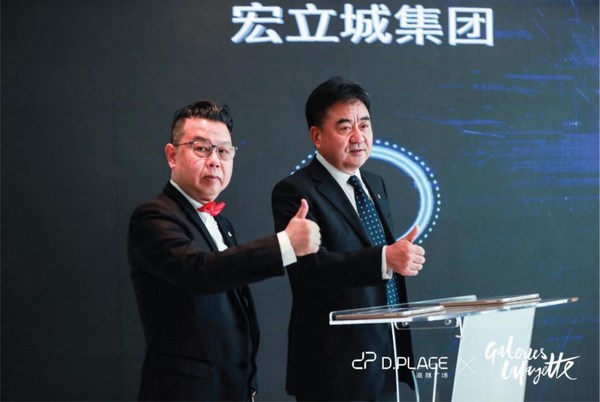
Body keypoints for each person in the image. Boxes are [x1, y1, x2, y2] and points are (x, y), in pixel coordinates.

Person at [128, 100, 321, 401]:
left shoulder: (222, 224)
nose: (215, 161)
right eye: (201, 148)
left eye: (223, 151)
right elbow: (201, 272)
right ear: (172, 155)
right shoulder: (153, 217)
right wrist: (284, 244)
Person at [271, 77, 426, 401]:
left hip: (386, 353)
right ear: (317, 136)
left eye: (364, 125)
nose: (358, 137)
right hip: (334, 366)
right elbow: (309, 268)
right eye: (345, 127)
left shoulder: (375, 183)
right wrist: (384, 258)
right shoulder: (295, 191)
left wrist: (398, 259)